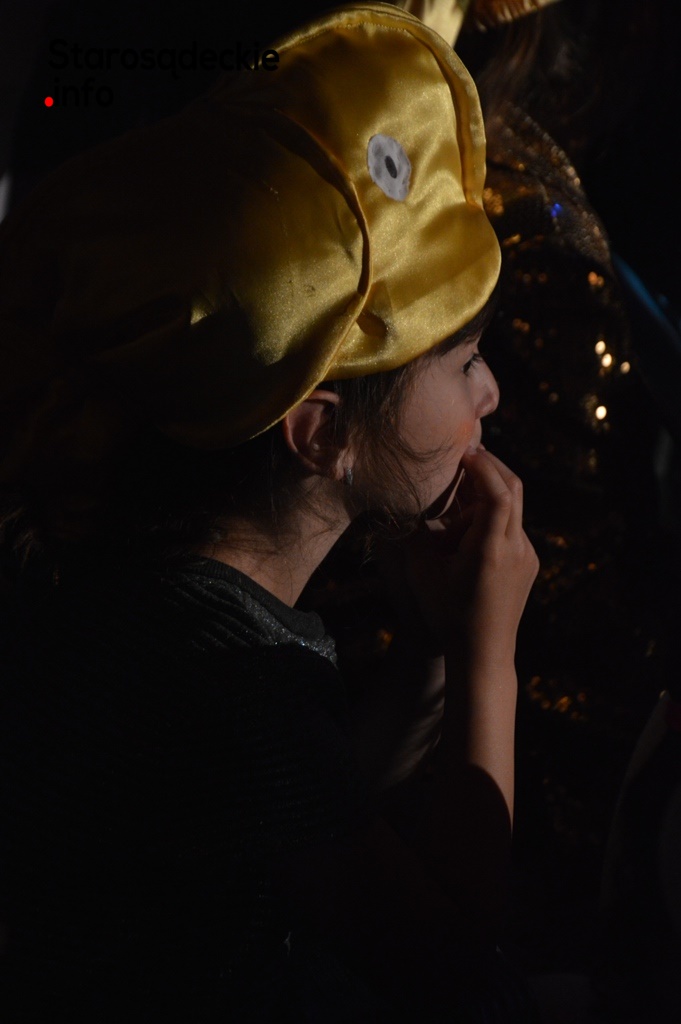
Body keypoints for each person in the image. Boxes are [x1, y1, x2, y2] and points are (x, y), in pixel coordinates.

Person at [0, 4, 540, 1020]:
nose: (491, 395)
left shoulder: (169, 600)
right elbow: (457, 971)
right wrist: (487, 656)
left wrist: (428, 650)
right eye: (463, 362)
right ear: (320, 431)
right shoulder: (228, 682)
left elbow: (325, 828)